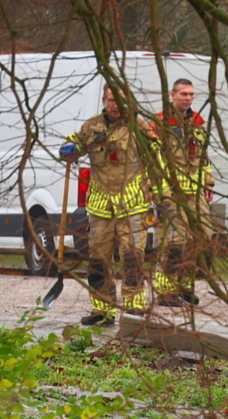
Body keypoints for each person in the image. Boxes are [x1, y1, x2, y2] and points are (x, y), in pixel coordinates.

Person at [60, 86, 156, 326]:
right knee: (99, 258)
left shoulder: (140, 127)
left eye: (120, 101)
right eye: (111, 100)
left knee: (133, 256)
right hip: (101, 204)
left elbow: (157, 160)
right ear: (104, 100)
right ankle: (102, 309)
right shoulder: (92, 127)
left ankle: (134, 308)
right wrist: (68, 149)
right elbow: (74, 145)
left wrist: (160, 195)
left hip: (132, 203)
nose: (115, 106)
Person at [153, 78, 215, 307]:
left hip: (195, 191)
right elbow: (153, 159)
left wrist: (208, 183)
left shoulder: (198, 123)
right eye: (183, 94)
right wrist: (158, 192)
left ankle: (186, 284)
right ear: (173, 95)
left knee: (201, 238)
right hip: (170, 191)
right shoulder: (160, 123)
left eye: (191, 94)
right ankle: (165, 290)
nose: (188, 98)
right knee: (173, 242)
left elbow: (203, 157)